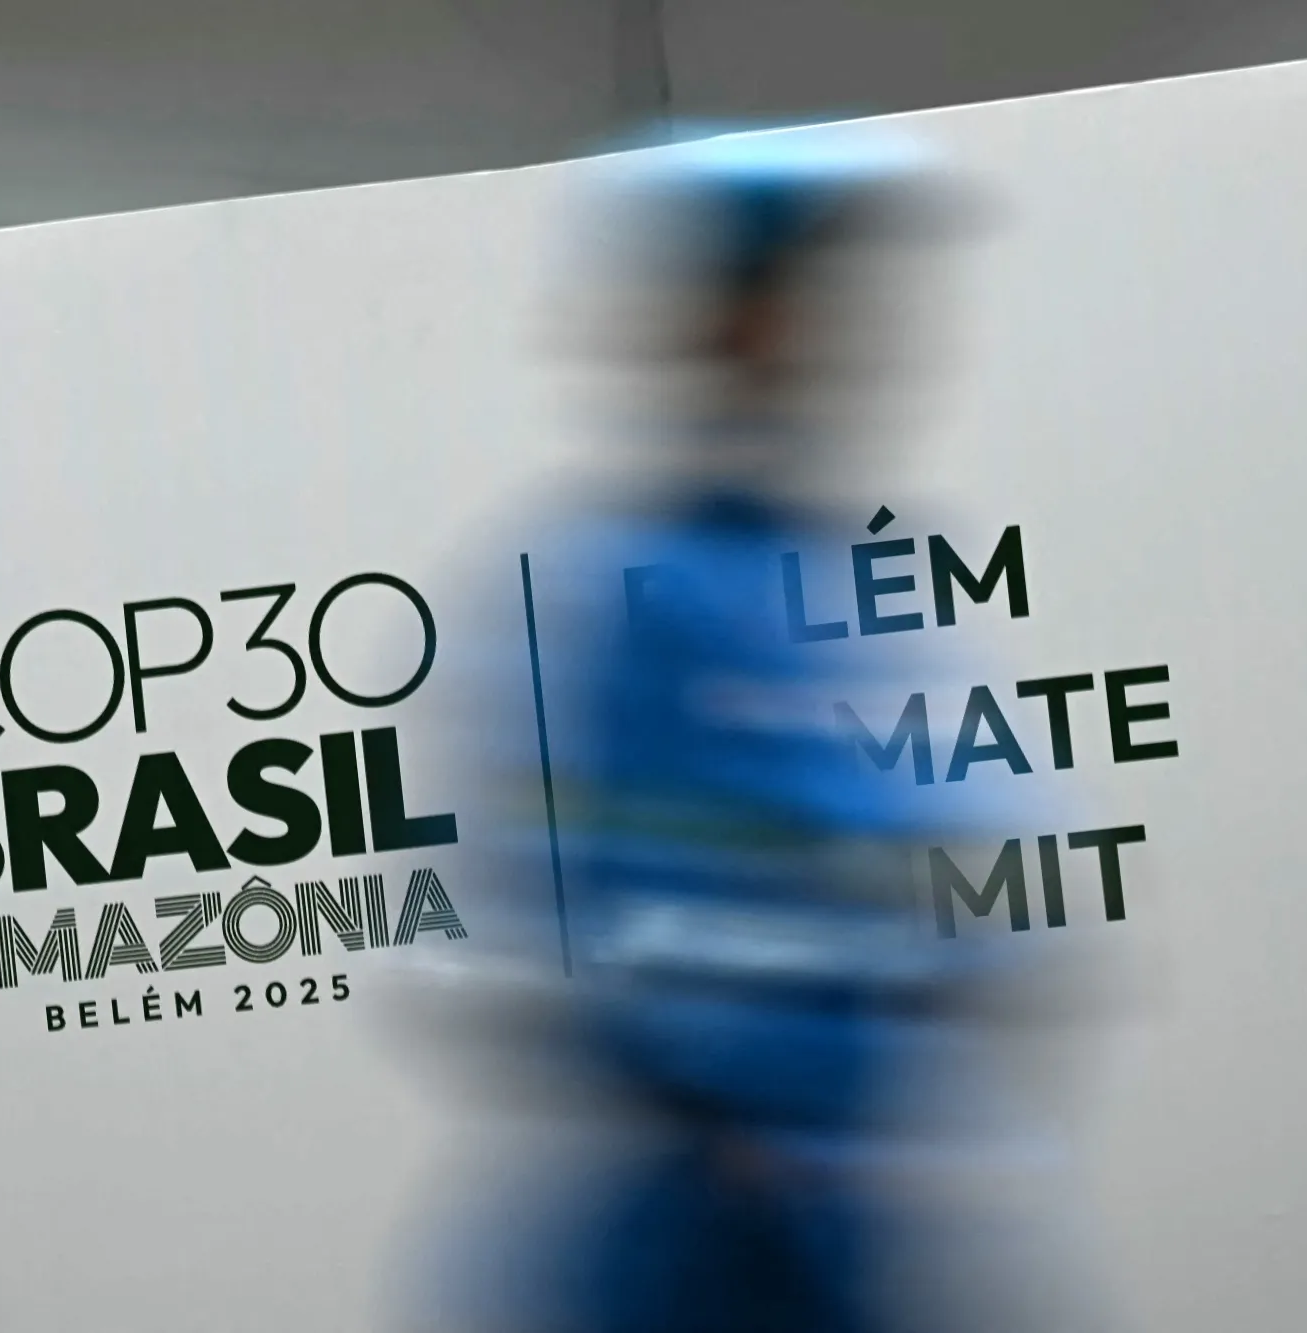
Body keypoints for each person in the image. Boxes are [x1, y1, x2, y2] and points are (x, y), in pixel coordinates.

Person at [417, 125, 1091, 1333]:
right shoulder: (624, 587)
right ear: (728, 318)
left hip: (835, 1219)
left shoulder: (827, 565)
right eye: (807, 295)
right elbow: (566, 903)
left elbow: (933, 865)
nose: (847, 332)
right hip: (697, 1236)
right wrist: (730, 1096)